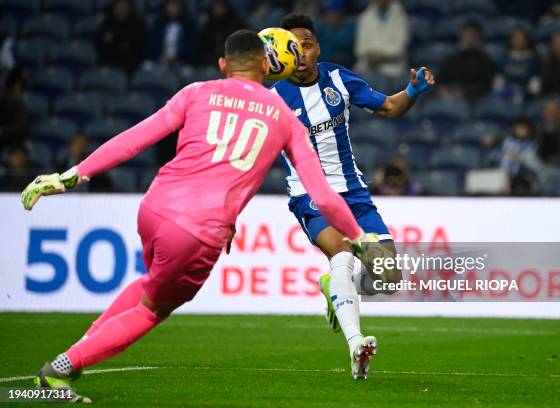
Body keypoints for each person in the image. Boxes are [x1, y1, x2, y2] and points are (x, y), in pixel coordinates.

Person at [21, 30, 380, 402]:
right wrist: (360, 237)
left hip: (154, 207)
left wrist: (73, 174)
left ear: (223, 65)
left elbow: (135, 138)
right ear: (266, 66)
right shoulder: (284, 116)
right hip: (198, 231)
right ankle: (58, 372)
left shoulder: (196, 92)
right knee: (153, 309)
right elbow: (321, 192)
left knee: (150, 284)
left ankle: (84, 347)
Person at [272, 14, 433, 378]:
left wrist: (413, 92)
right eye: (292, 47)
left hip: (354, 194)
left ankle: (335, 287)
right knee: (342, 254)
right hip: (309, 196)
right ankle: (356, 344)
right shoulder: (274, 99)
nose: (301, 53)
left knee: (389, 278)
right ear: (282, 53)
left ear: (317, 49)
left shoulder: (338, 79)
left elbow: (389, 107)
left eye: (307, 45)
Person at [437, 20, 496, 100]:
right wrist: (444, 89)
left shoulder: (485, 61)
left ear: (478, 36)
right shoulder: (451, 58)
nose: (469, 37)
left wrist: (464, 91)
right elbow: (441, 78)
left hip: (474, 99)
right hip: (449, 97)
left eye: (472, 34)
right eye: (467, 33)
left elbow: (486, 84)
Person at [354, 0, 409, 78]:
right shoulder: (365, 17)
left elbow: (399, 48)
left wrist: (380, 57)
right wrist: (371, 56)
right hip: (367, 67)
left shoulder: (401, 17)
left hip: (391, 68)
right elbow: (360, 48)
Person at [96, 0, 146, 74]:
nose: (121, 8)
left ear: (129, 7)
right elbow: (102, 43)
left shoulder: (138, 23)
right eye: (119, 6)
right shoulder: (107, 23)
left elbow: (137, 46)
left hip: (130, 63)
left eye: (123, 6)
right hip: (109, 61)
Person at [146, 0, 197, 66]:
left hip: (182, 61)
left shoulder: (189, 25)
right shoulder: (158, 24)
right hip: (159, 59)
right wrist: (161, 55)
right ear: (166, 7)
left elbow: (192, 46)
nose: (174, 9)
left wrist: (176, 56)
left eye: (176, 6)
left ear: (181, 7)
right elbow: (152, 44)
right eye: (171, 6)